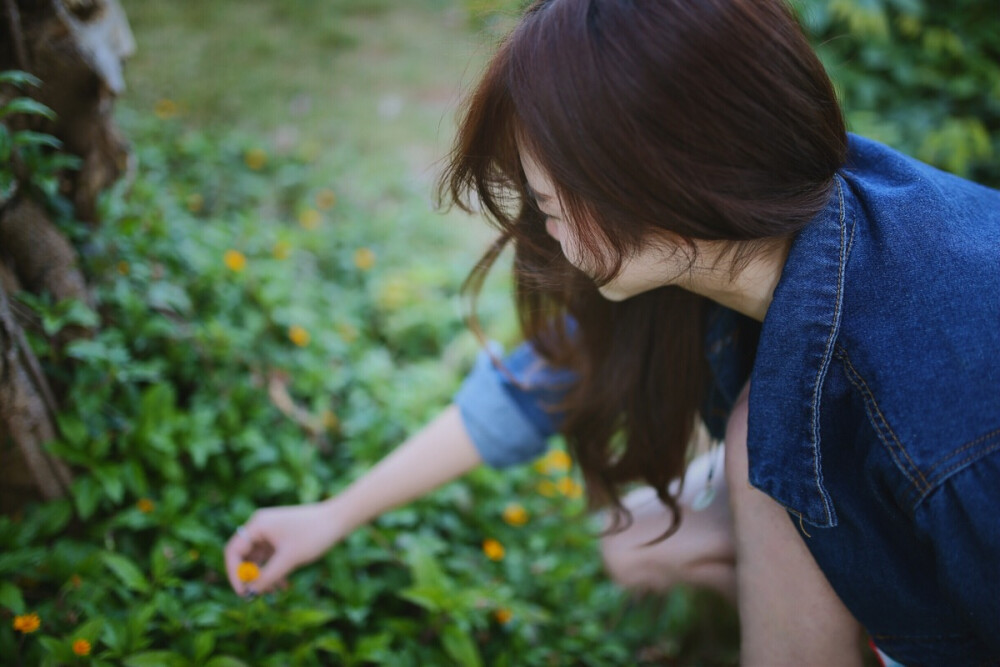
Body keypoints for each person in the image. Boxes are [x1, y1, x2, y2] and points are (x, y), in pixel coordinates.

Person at [224, 0, 1000, 664]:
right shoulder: (741, 234)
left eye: (554, 191)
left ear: (667, 166)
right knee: (644, 539)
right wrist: (330, 515)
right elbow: (535, 384)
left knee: (754, 438)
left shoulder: (948, 413)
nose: (536, 202)